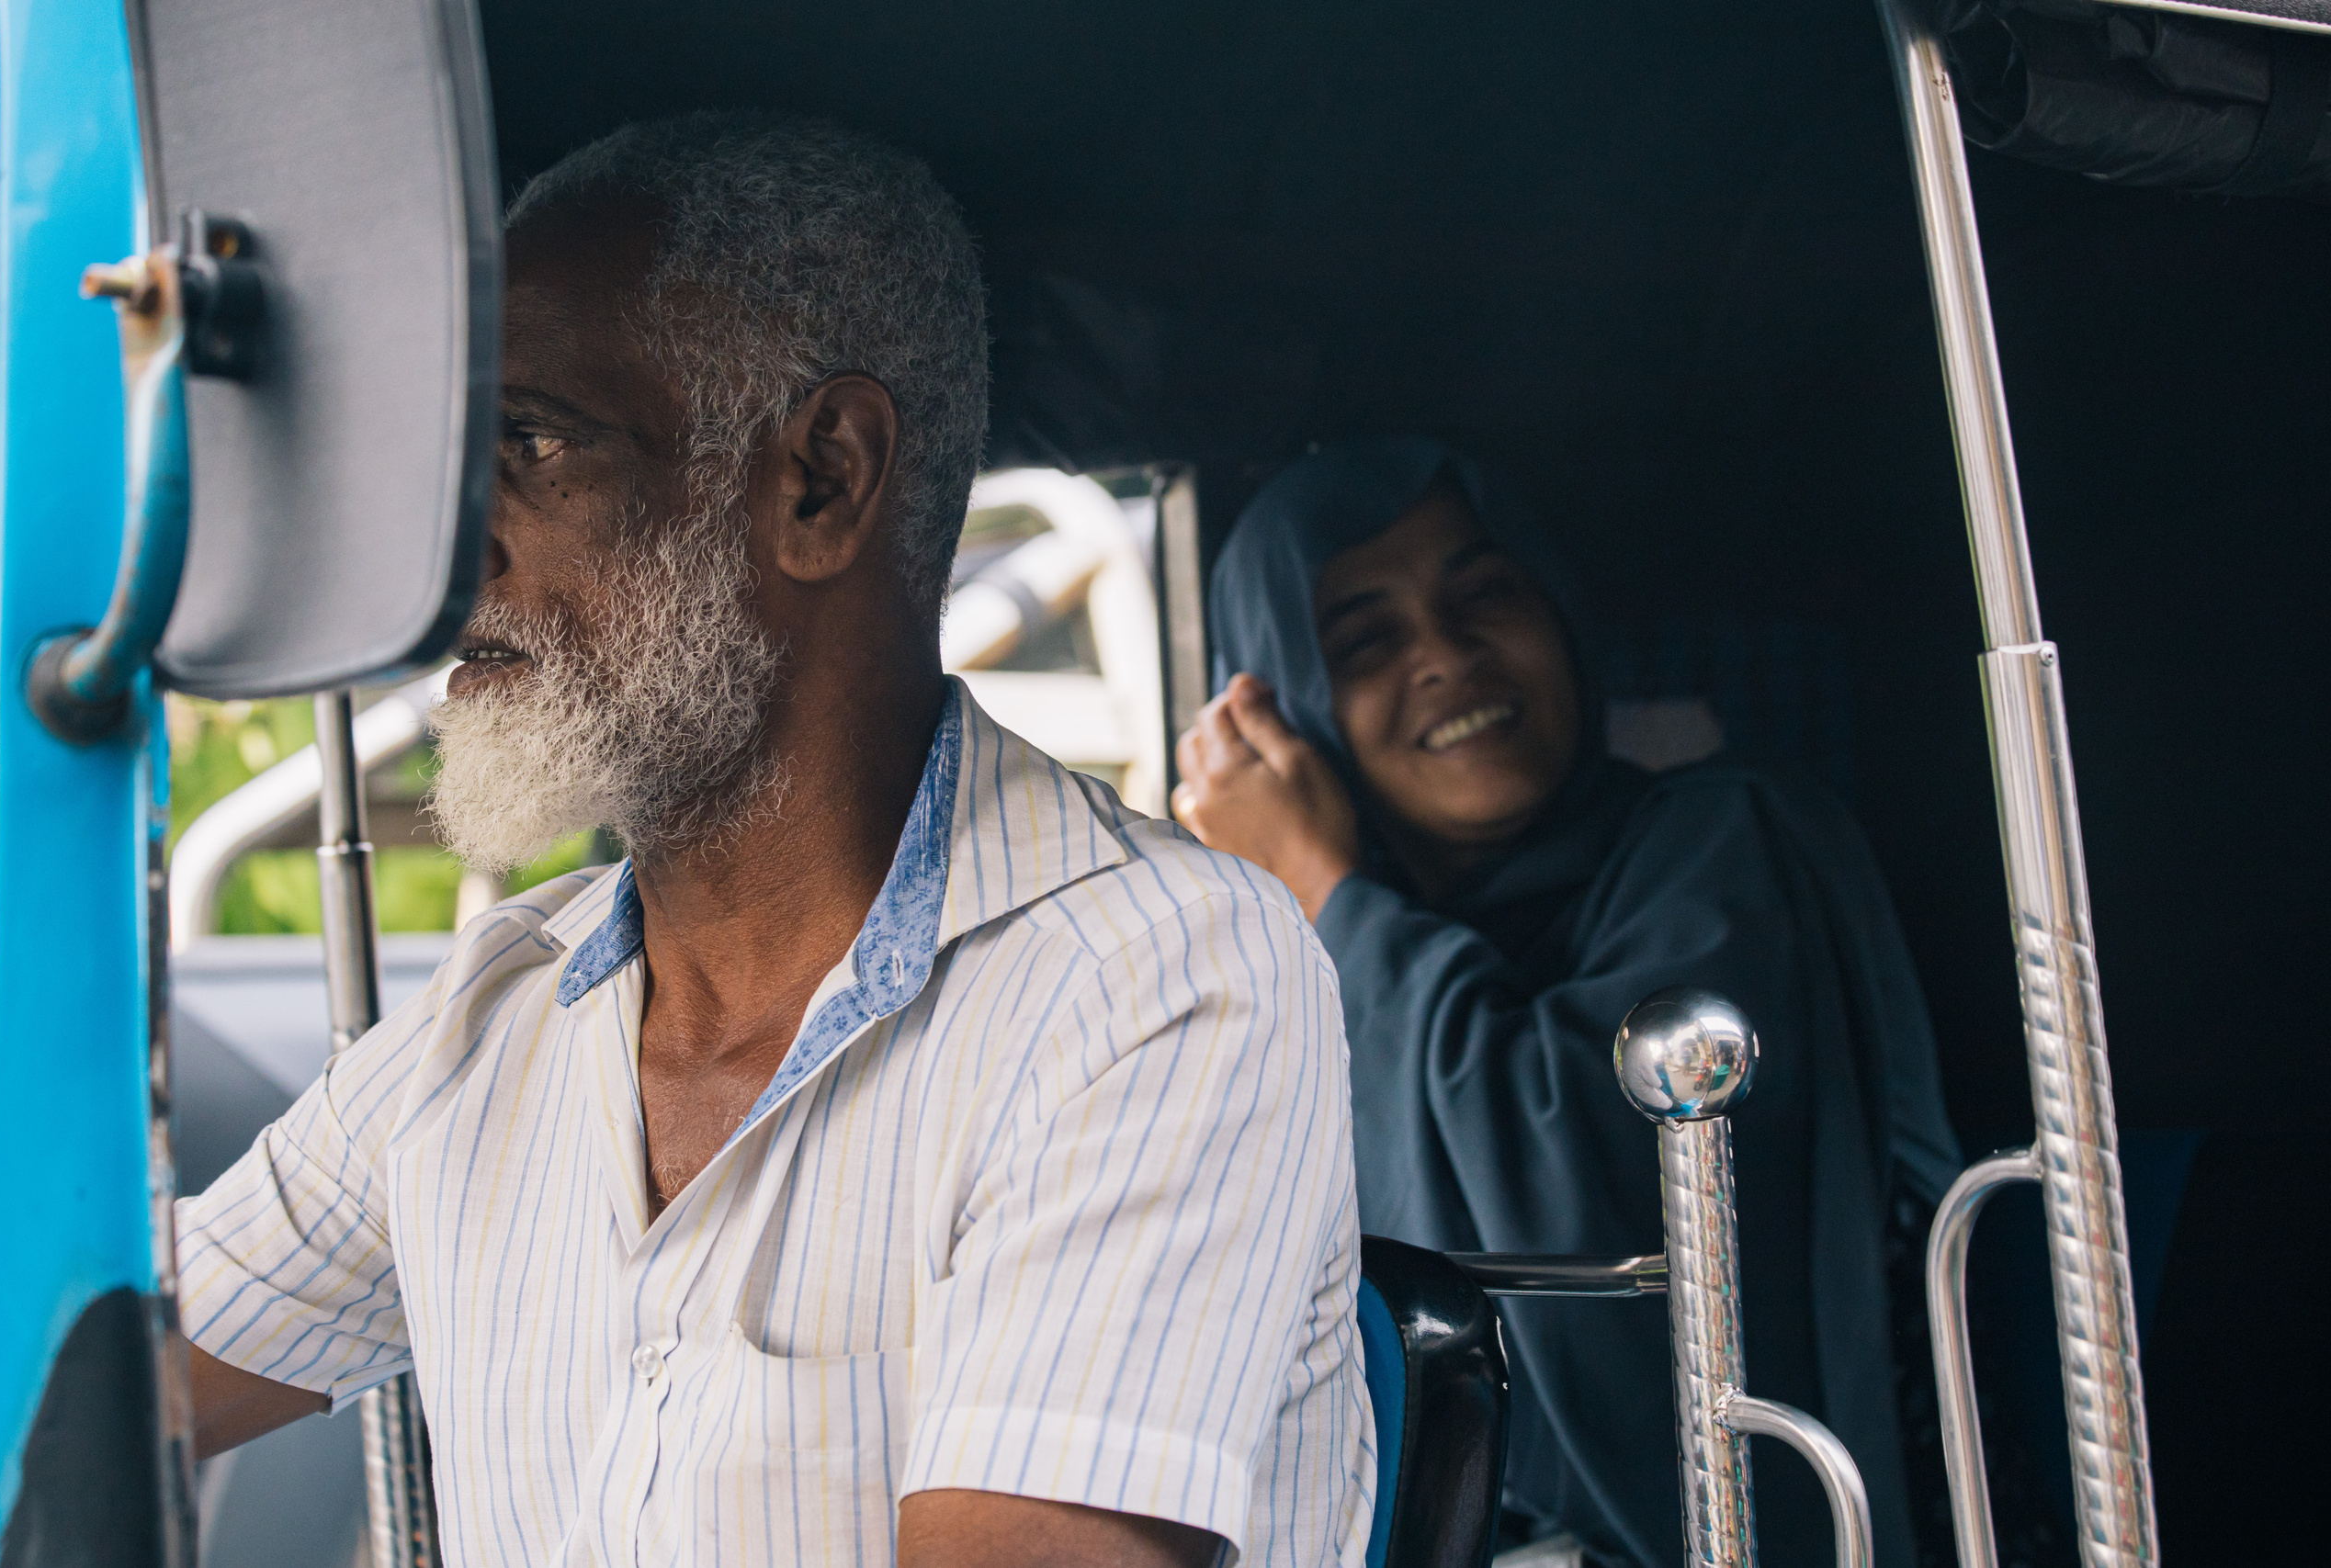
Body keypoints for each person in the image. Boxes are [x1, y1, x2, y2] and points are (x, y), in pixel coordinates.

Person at [176, 115, 1373, 1568]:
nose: (454, 554)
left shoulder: (1157, 981)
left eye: (535, 444)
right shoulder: (495, 1015)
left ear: (820, 479)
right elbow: (86, 1382)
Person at [1173, 438, 1960, 1568]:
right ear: (1289, 715)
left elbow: (1595, 1213)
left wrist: (1328, 893)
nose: (1446, 654)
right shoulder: (1287, 981)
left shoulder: (1729, 842)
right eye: (1365, 638)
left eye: (1485, 591)